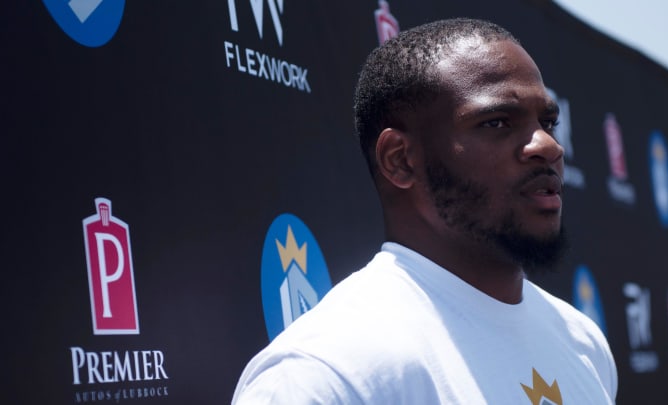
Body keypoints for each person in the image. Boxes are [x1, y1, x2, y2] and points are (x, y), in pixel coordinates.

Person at [231, 18, 617, 404]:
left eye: (547, 122)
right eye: (497, 122)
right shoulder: (327, 374)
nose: (548, 146)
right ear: (400, 160)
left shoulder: (583, 341)